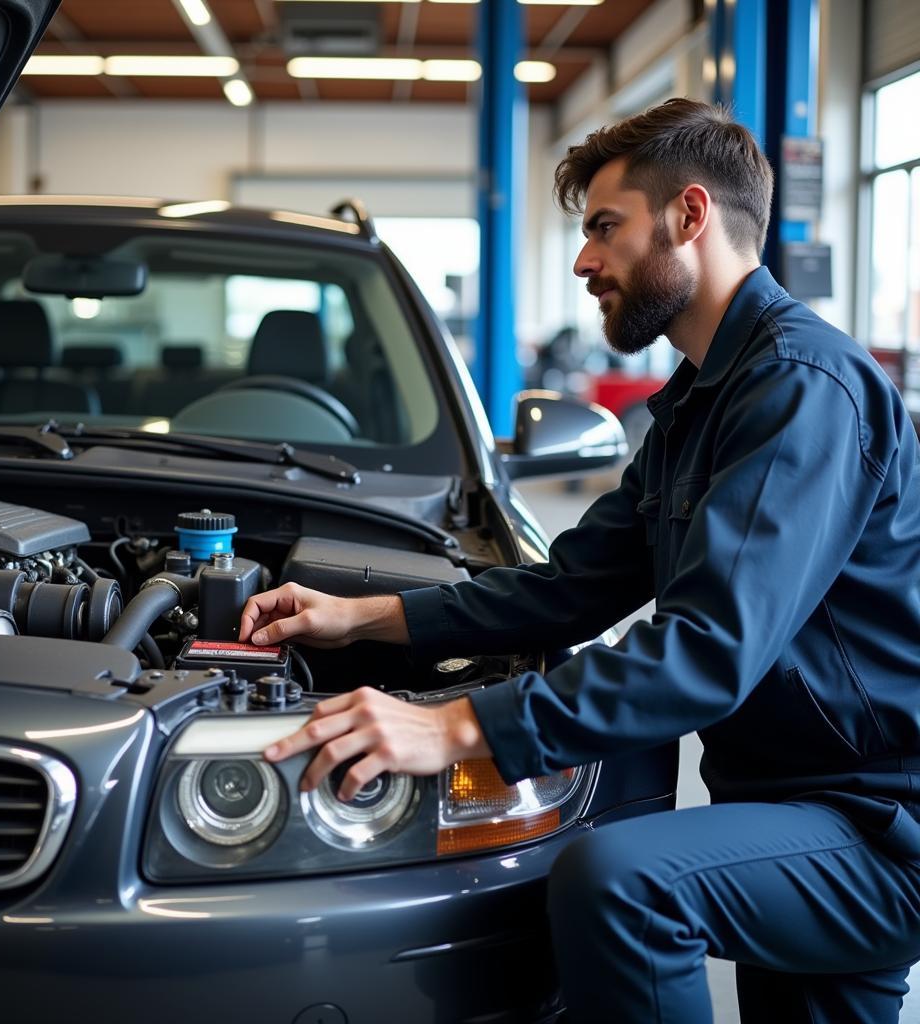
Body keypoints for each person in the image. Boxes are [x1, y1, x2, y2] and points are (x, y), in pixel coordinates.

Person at [239, 98, 920, 1023]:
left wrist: (453, 729)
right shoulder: (698, 405)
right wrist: (364, 617)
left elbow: (706, 651)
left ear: (690, 215)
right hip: (790, 810)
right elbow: (573, 585)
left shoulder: (802, 389)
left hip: (878, 827)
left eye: (605, 227)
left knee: (626, 884)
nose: (583, 260)